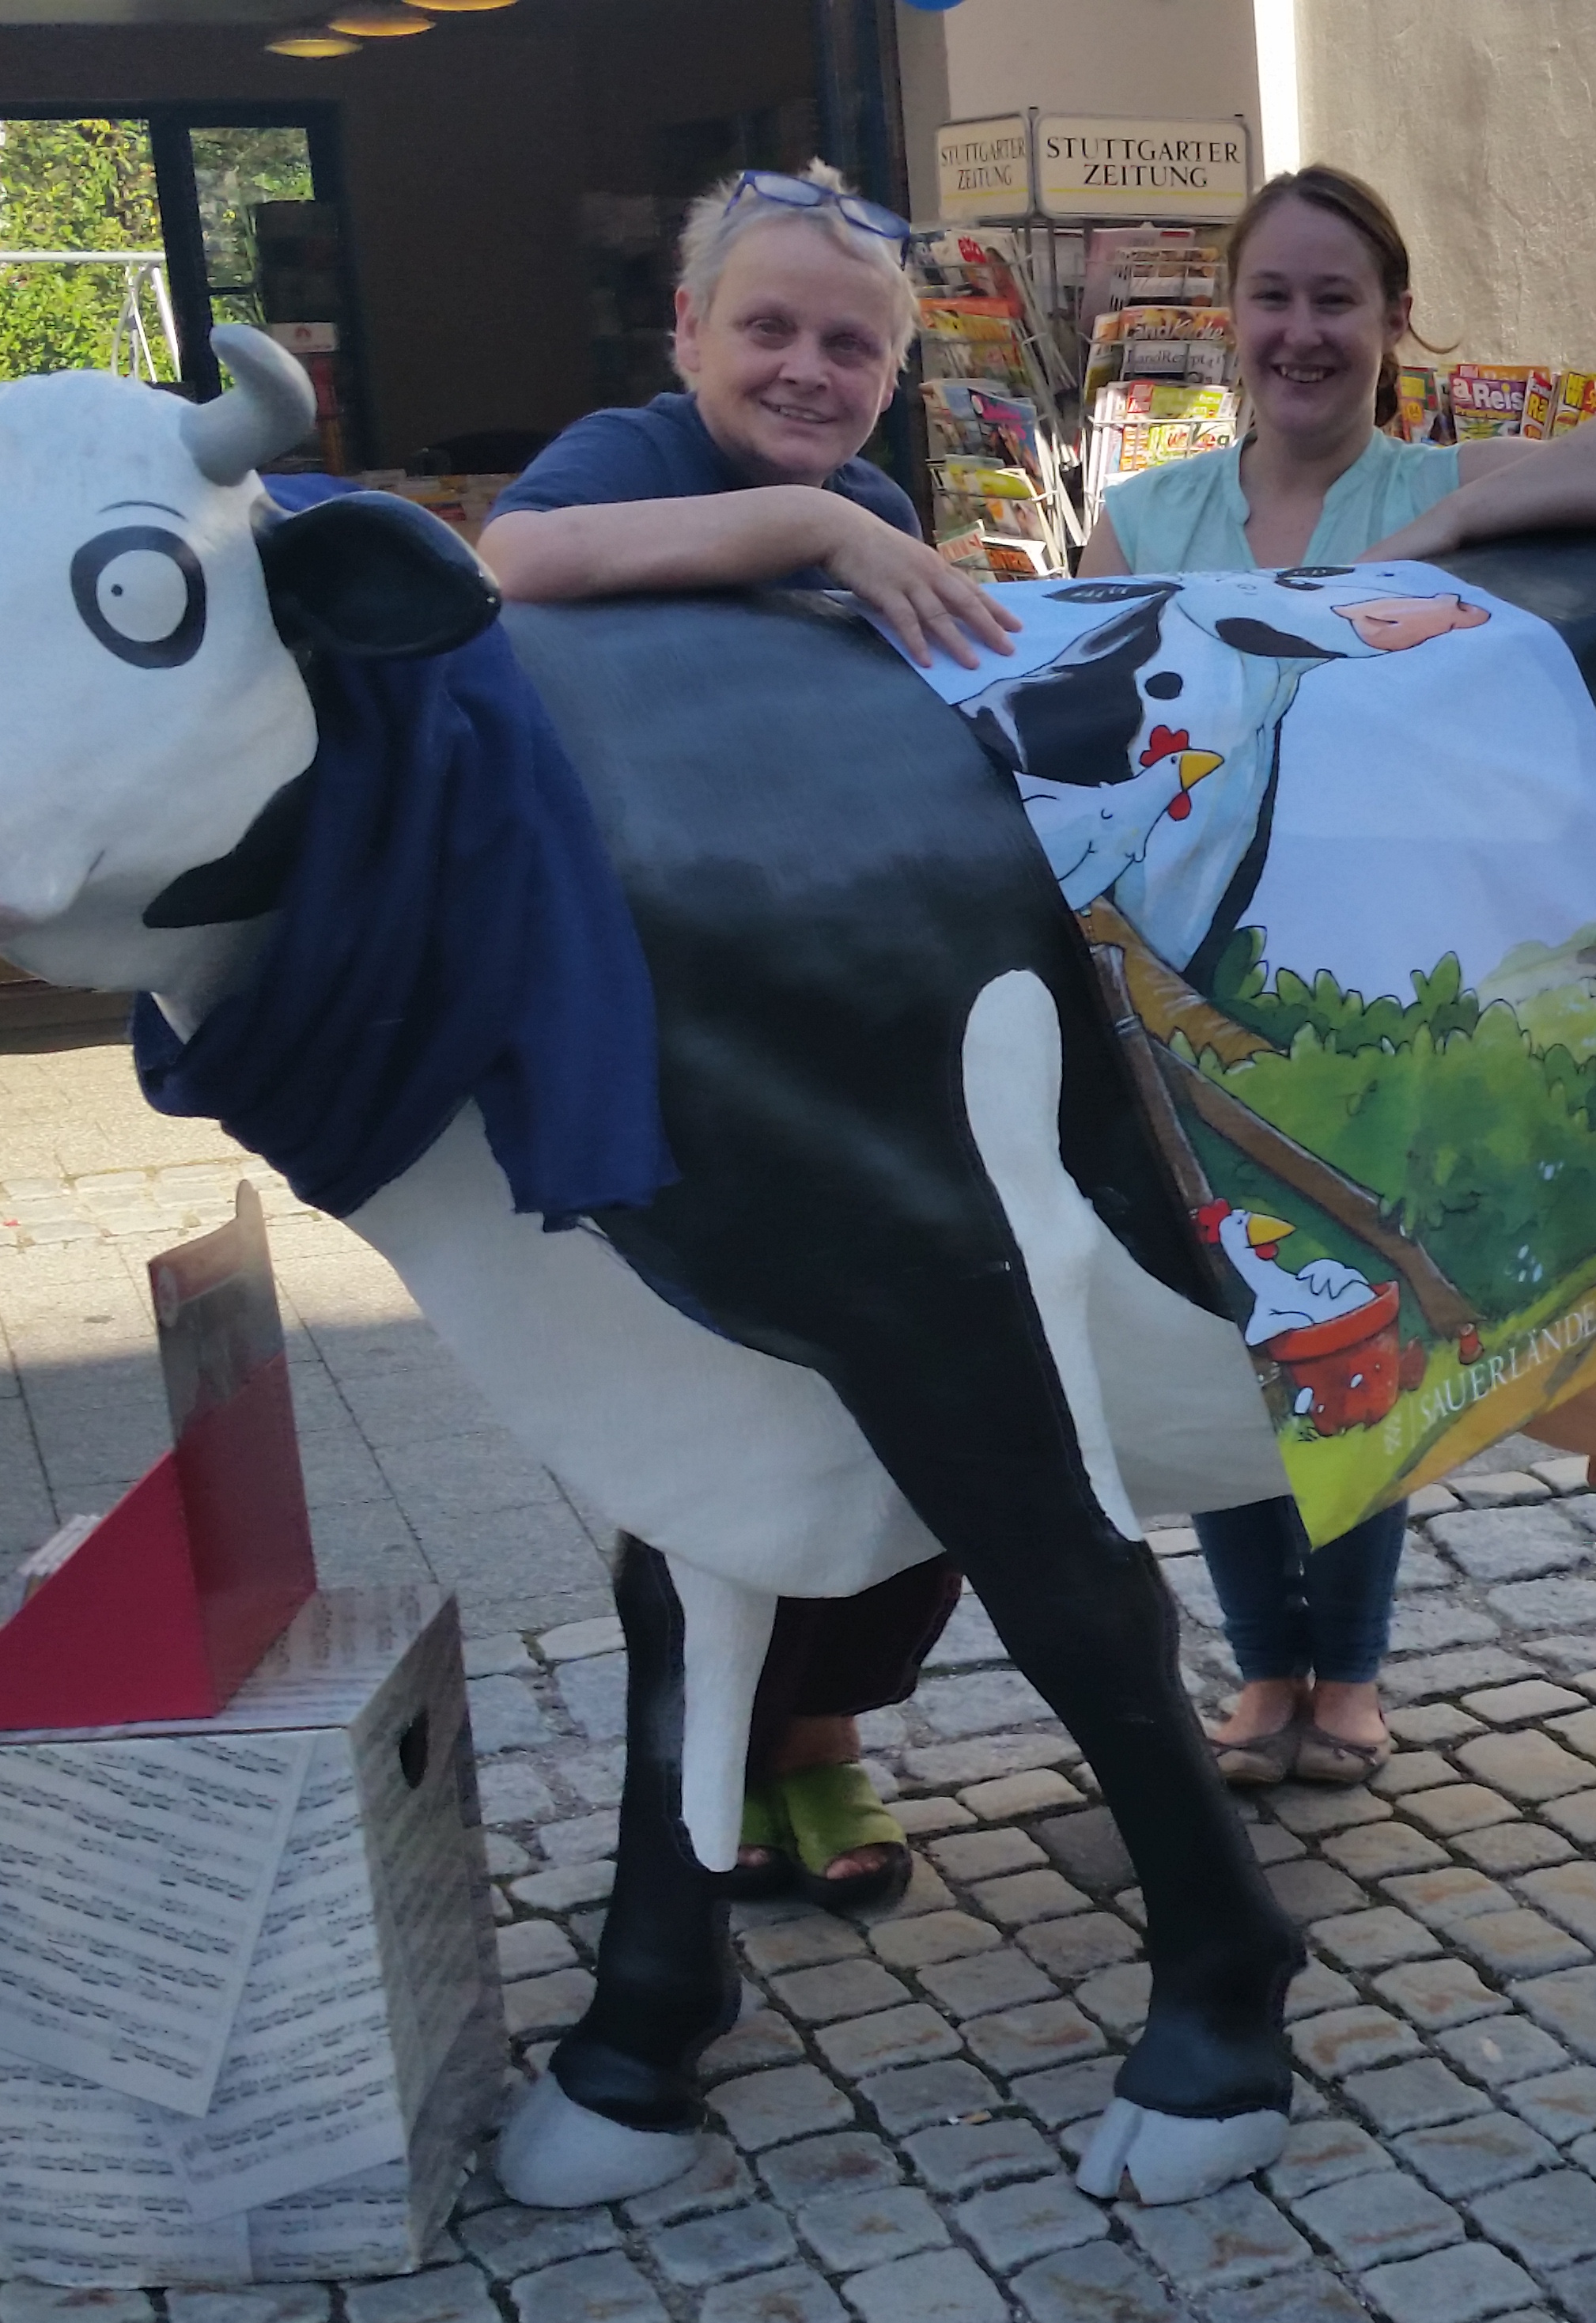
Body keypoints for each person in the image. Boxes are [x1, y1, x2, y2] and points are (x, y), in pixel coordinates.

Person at [1081, 165, 1596, 1787]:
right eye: (1273, 297)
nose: (1301, 332)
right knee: (1234, 1328)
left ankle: (1347, 1673)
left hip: (1380, 983)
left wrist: (1441, 533)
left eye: (1335, 300)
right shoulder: (1145, 520)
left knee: (1360, 1327)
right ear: (1229, 319)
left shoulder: (1435, 478)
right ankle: (1263, 1668)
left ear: (1392, 321)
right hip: (1188, 985)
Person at [478, 161, 1011, 1909]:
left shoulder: (874, 498)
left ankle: (823, 1741)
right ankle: (742, 1757)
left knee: (895, 1423)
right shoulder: (636, 460)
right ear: (687, 332)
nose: (805, 368)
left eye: (850, 346)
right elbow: (516, 562)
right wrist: (812, 534)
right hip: (678, 1054)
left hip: (846, 1036)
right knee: (728, 1421)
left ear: (894, 372)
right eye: (768, 328)